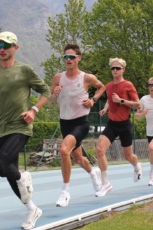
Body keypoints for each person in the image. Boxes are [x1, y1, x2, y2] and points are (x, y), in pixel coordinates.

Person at [0, 31, 50, 230]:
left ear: (15, 48)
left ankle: (22, 178)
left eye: (6, 46)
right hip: (1, 128)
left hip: (21, 126)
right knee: (8, 172)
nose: (1, 49)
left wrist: (34, 110)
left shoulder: (25, 70)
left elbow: (46, 92)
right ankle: (32, 209)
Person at [50, 43, 106, 207]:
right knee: (79, 158)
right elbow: (51, 100)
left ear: (78, 58)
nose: (68, 60)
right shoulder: (58, 78)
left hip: (81, 122)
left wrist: (93, 100)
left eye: (71, 57)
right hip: (64, 122)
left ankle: (65, 192)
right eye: (65, 57)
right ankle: (93, 173)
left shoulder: (86, 77)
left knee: (63, 150)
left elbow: (102, 87)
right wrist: (55, 94)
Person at [95, 58, 142, 197]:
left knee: (128, 156)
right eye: (113, 68)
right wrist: (105, 108)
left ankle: (137, 166)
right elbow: (110, 101)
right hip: (112, 124)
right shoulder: (108, 86)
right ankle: (106, 183)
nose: (115, 70)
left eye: (118, 68)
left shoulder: (128, 85)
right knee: (99, 149)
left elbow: (138, 104)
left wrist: (121, 101)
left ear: (123, 70)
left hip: (124, 124)